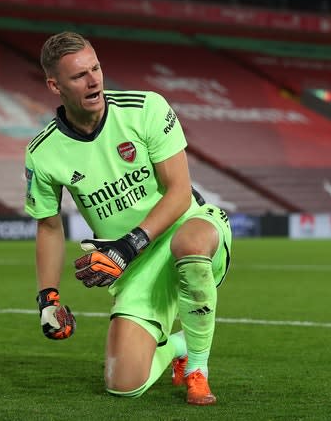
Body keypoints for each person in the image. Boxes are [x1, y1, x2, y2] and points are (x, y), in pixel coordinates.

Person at [24, 31, 232, 406]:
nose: (94, 80)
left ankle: (198, 369)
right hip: (134, 267)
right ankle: (178, 347)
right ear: (55, 85)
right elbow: (49, 226)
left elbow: (179, 193)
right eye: (79, 76)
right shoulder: (43, 153)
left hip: (187, 227)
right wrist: (48, 299)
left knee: (190, 244)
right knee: (124, 385)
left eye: (96, 68)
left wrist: (127, 245)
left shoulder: (145, 109)